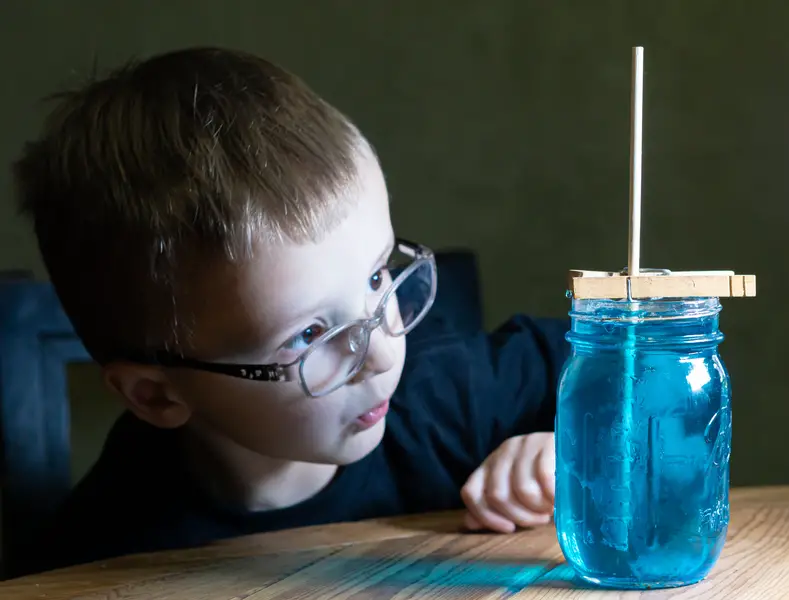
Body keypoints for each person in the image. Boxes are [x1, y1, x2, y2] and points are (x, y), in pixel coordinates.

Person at [12, 46, 569, 576]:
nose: (379, 352)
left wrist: (583, 444)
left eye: (377, 277)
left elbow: (642, 364)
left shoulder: (445, 392)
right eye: (309, 334)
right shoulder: (104, 558)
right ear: (157, 395)